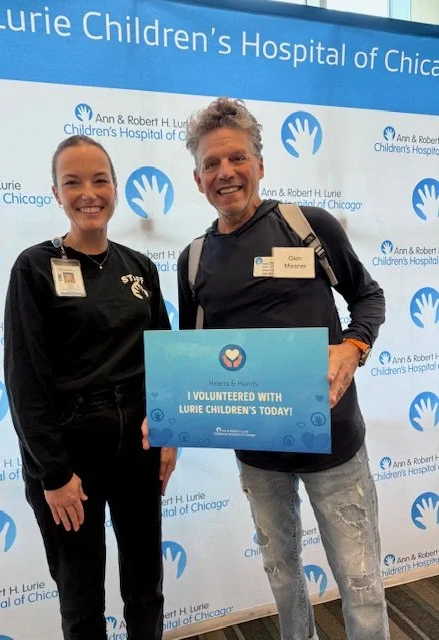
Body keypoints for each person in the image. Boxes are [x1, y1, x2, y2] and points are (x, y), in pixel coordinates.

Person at [176, 98, 389, 640]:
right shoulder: (194, 260)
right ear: (198, 179)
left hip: (335, 444)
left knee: (361, 583)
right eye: (211, 164)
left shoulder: (307, 227)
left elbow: (368, 297)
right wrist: (177, 411)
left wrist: (352, 347)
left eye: (237, 158)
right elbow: (194, 353)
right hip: (258, 454)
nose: (226, 172)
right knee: (283, 577)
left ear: (260, 165)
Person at [4, 134, 176, 640]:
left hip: (138, 448)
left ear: (116, 188)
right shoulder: (34, 268)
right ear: (55, 193)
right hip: (68, 453)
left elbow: (164, 358)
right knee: (80, 600)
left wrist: (168, 431)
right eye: (73, 182)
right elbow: (24, 380)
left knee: (146, 587)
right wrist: (53, 473)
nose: (88, 193)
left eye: (100, 180)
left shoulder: (139, 267)